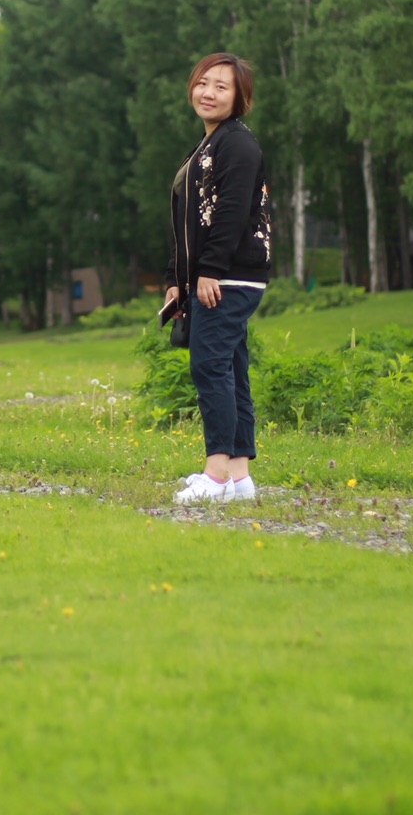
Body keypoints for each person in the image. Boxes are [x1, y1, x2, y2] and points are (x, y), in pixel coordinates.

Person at [164, 53, 273, 506]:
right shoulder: (207, 145)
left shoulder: (238, 146)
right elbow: (188, 220)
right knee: (230, 368)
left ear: (240, 97)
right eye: (203, 83)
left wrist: (208, 272)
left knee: (209, 365)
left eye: (221, 87)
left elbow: (229, 215)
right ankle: (239, 478)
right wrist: (176, 277)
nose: (208, 93)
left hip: (230, 275)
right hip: (216, 275)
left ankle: (216, 473)